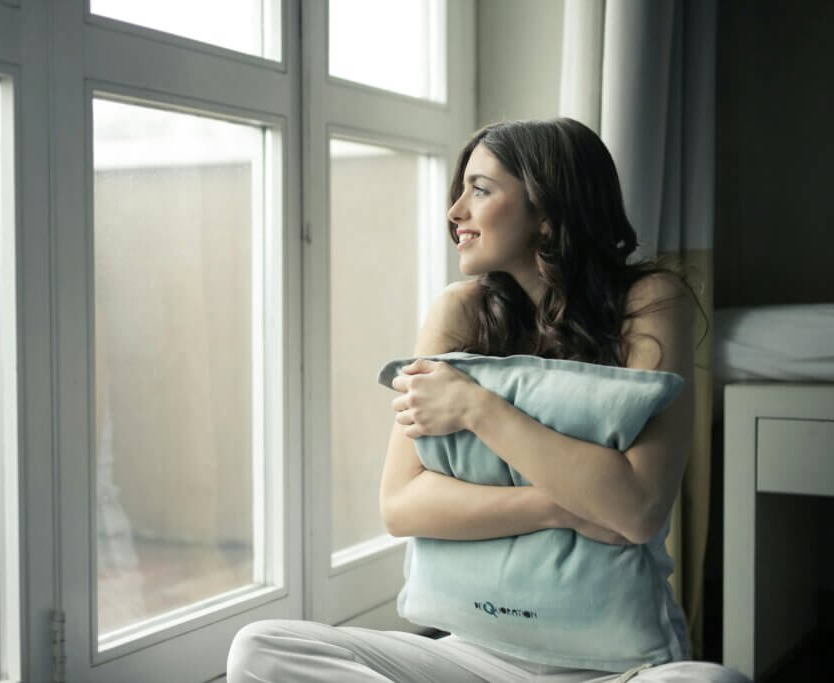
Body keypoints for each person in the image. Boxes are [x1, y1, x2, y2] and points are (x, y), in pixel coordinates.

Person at [226, 119, 750, 682]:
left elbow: (639, 511)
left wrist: (477, 407)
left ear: (547, 212)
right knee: (261, 647)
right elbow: (401, 505)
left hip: (617, 668)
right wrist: (563, 506)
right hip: (467, 656)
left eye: (479, 190)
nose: (455, 211)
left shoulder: (649, 301)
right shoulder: (460, 310)